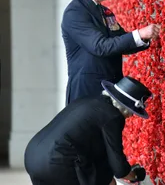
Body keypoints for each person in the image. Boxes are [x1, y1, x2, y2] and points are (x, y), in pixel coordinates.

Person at [61, 0, 161, 105]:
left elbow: (120, 41)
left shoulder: (104, 11)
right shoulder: (74, 12)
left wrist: (144, 38)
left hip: (110, 92)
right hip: (86, 96)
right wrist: (139, 34)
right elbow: (100, 46)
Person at [24, 76, 152, 185]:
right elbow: (117, 164)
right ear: (126, 108)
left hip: (33, 156)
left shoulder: (88, 101)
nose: (131, 116)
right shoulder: (113, 116)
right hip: (57, 163)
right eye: (133, 112)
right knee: (106, 179)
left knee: (103, 174)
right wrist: (134, 175)